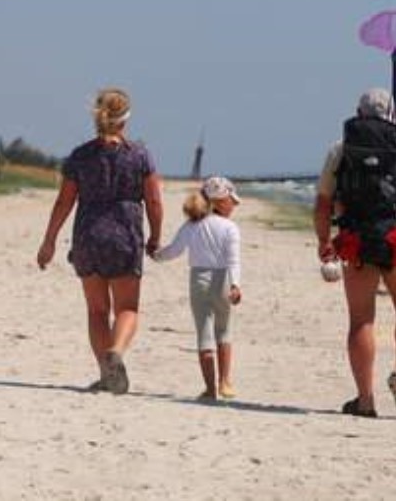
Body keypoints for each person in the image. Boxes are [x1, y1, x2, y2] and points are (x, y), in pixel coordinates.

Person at [314, 87, 396, 418]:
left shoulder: (340, 150)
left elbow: (323, 203)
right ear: (393, 116)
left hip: (355, 241)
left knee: (361, 320)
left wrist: (323, 240)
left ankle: (365, 399)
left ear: (358, 114)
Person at [36, 87, 164, 395]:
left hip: (88, 236)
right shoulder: (140, 155)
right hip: (125, 235)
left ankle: (106, 375)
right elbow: (154, 201)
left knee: (96, 311)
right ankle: (116, 352)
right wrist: (156, 236)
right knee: (127, 308)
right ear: (126, 119)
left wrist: (49, 241)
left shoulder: (80, 156)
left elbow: (64, 202)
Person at [152, 176, 243, 402]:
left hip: (198, 280)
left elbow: (174, 251)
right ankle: (225, 382)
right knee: (224, 332)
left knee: (204, 333)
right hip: (223, 279)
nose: (234, 205)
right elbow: (234, 261)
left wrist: (156, 255)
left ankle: (210, 389)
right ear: (220, 201)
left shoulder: (191, 224)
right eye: (231, 200)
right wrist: (235, 284)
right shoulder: (230, 227)